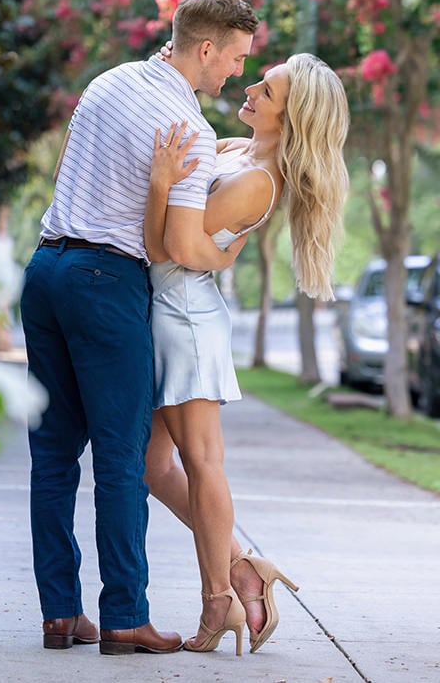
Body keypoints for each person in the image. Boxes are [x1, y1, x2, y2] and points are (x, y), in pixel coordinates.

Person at [20, 0, 258, 656]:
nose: (237, 69)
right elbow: (176, 247)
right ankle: (125, 617)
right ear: (206, 49)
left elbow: (66, 170)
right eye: (236, 57)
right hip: (106, 281)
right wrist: (226, 253)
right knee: (122, 457)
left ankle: (60, 614)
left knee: (53, 456)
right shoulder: (189, 130)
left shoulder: (110, 82)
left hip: (46, 268)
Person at [143, 52, 349, 655]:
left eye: (268, 91)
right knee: (153, 467)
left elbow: (168, 245)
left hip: (184, 317)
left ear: (291, 118)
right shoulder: (237, 149)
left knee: (202, 462)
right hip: (168, 308)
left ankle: (218, 601)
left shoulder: (258, 180)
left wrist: (160, 185)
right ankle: (245, 569)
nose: (252, 89)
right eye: (259, 79)